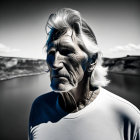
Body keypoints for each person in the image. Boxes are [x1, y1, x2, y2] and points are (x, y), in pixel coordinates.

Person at [29, 8, 140, 140]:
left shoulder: (128, 117)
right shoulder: (40, 107)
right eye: (51, 52)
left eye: (66, 51)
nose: (55, 63)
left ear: (92, 60)